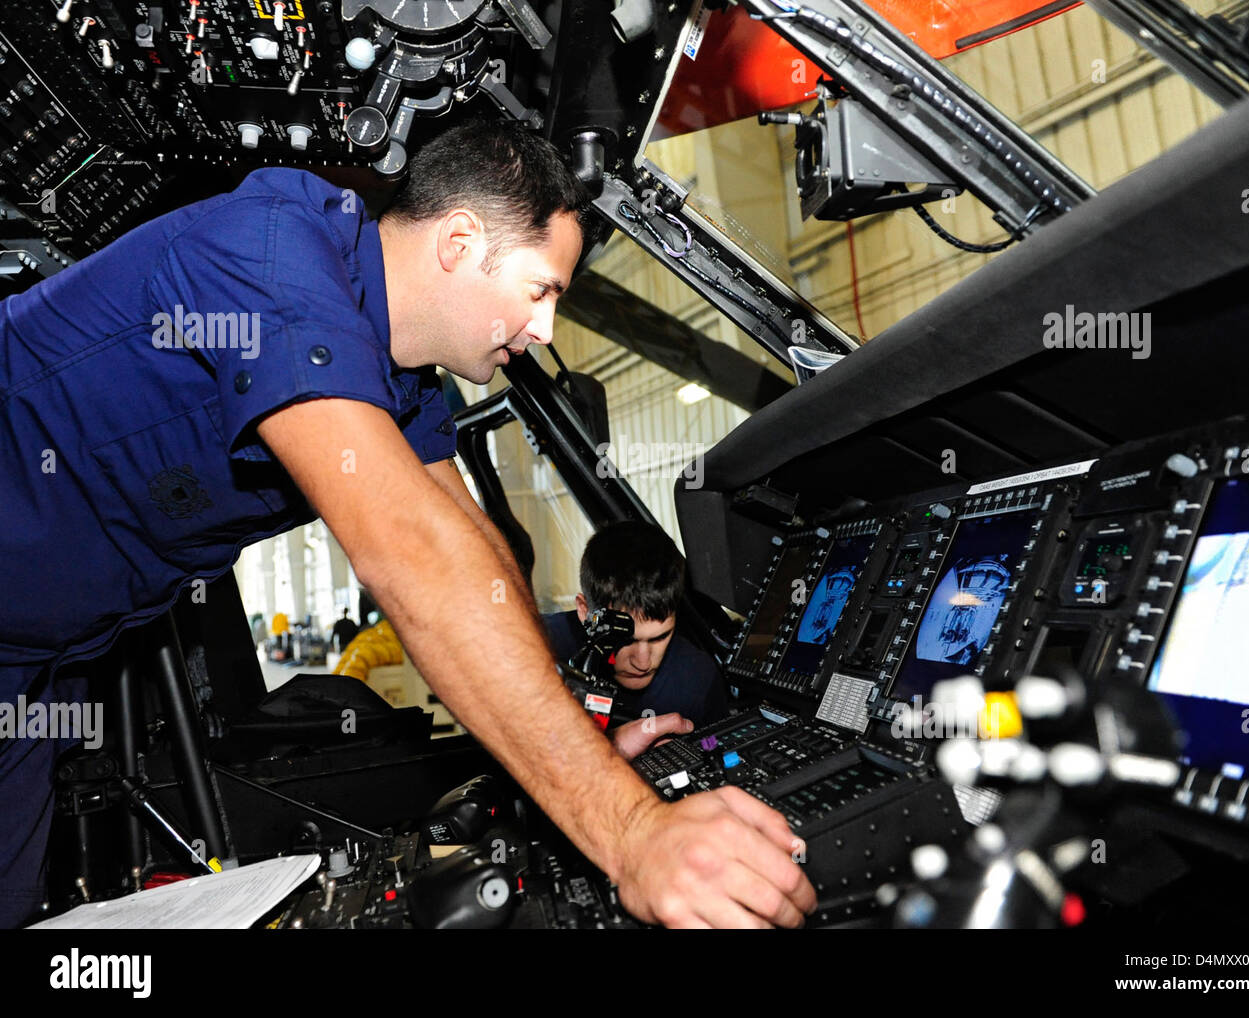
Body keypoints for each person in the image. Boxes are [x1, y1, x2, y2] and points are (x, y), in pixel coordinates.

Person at [0, 120, 814, 930]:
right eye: (541, 292)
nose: (544, 332)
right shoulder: (272, 251)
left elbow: (473, 557)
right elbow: (411, 556)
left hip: (38, 665)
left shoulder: (408, 380)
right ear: (459, 242)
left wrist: (586, 757)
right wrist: (630, 832)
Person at [544, 521, 729, 738]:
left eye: (659, 638)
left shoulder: (698, 680)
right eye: (626, 639)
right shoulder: (536, 648)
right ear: (585, 612)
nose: (642, 662)